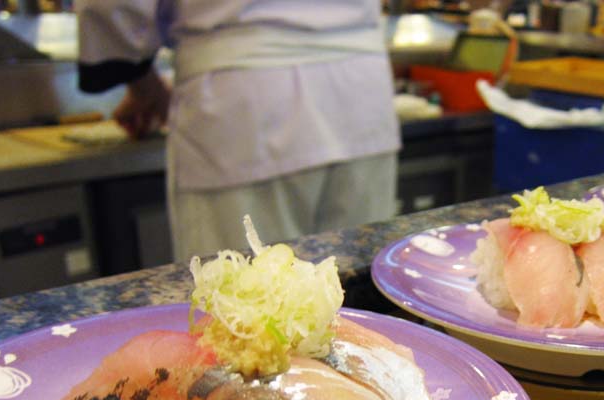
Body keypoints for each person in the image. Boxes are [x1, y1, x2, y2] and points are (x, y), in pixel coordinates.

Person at [76, 0, 401, 263]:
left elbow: (110, 8)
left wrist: (142, 83)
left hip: (244, 90)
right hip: (362, 88)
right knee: (357, 285)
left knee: (240, 303)